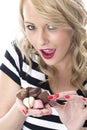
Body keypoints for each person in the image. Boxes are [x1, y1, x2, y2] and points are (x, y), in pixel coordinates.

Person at [0, 0, 87, 129]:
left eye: (52, 26)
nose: (41, 41)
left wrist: (75, 128)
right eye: (31, 27)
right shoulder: (21, 55)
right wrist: (19, 110)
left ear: (73, 23)